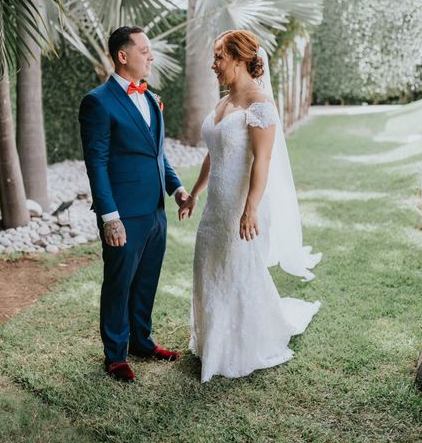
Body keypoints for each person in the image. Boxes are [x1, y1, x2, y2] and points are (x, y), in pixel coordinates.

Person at [178, 30, 322, 383]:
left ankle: (242, 345)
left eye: (219, 58)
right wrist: (196, 193)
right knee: (208, 267)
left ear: (240, 60)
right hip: (215, 206)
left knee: (236, 271)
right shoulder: (223, 102)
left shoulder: (260, 105)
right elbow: (213, 155)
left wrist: (250, 208)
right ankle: (212, 339)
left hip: (242, 205)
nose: (213, 65)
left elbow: (263, 160)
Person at [79, 26, 188, 382]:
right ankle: (115, 355)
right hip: (123, 213)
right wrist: (110, 217)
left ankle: (142, 340)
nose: (151, 56)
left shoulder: (152, 98)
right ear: (122, 56)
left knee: (146, 279)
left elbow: (158, 154)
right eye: (144, 50)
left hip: (156, 209)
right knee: (119, 282)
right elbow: (96, 163)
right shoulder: (98, 101)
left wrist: (176, 190)